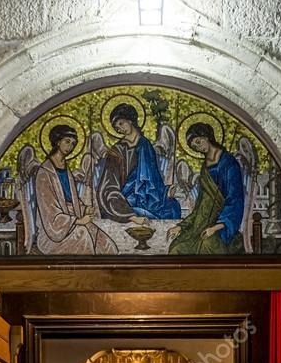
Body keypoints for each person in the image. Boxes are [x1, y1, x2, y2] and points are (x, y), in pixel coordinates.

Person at [34, 124, 118, 255]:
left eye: (73, 144)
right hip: (54, 233)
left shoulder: (65, 168)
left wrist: (85, 209)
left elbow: (71, 199)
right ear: (57, 141)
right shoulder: (44, 173)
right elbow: (49, 212)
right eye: (67, 142)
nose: (70, 147)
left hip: (72, 220)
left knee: (104, 242)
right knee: (83, 236)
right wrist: (78, 221)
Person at [168, 122, 244, 255]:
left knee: (208, 245)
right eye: (194, 147)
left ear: (206, 136)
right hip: (202, 224)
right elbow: (201, 206)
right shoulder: (205, 168)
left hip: (223, 225)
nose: (198, 148)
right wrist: (181, 226)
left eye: (198, 142)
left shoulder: (229, 164)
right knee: (177, 247)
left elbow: (235, 200)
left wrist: (216, 227)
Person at [98, 103, 181, 224]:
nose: (120, 129)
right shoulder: (117, 151)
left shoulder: (145, 144)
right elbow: (109, 184)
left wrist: (166, 191)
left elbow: (154, 178)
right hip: (127, 198)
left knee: (173, 207)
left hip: (149, 197)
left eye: (121, 123)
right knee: (140, 212)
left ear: (130, 120)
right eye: (116, 128)